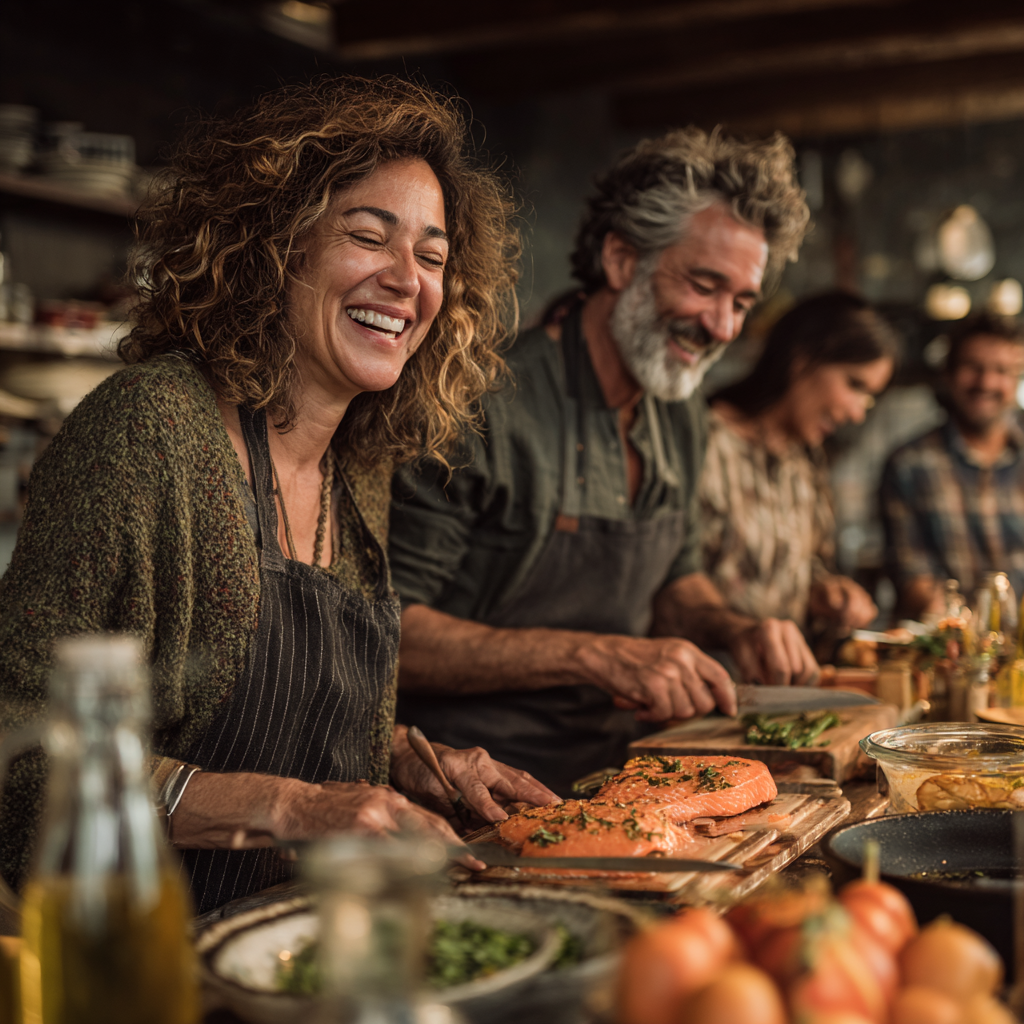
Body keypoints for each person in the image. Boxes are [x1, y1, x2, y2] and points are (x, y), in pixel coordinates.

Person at [0, 76, 557, 913]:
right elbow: (20, 758)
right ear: (275, 246)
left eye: (433, 258)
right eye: (370, 237)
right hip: (146, 955)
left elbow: (271, 710)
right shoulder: (148, 431)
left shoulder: (357, 467)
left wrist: (404, 757)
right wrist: (295, 808)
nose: (409, 281)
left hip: (306, 945)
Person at [388, 127, 813, 795]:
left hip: (624, 769)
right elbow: (389, 636)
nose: (724, 328)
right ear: (620, 259)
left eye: (741, 302)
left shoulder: (681, 412)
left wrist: (733, 628)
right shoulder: (481, 405)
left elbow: (678, 578)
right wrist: (594, 655)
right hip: (475, 785)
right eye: (705, 285)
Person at [701, 291, 896, 638]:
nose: (856, 412)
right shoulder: (706, 442)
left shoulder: (806, 460)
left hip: (787, 680)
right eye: (854, 385)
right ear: (802, 358)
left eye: (868, 398)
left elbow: (802, 567)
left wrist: (826, 593)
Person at [882, 312, 1024, 619]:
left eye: (1002, 370)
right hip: (948, 648)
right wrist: (965, 630)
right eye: (973, 367)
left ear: (1017, 379)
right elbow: (912, 575)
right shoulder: (909, 465)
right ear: (948, 374)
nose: (986, 382)